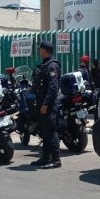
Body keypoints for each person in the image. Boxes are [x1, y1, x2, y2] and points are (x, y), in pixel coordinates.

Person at [31, 41, 61, 169]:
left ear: (45, 50)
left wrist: (45, 104)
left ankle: (56, 159)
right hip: (41, 103)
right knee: (44, 132)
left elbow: (53, 88)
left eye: (40, 49)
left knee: (51, 132)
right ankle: (45, 157)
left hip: (48, 105)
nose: (39, 51)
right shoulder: (45, 65)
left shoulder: (52, 66)